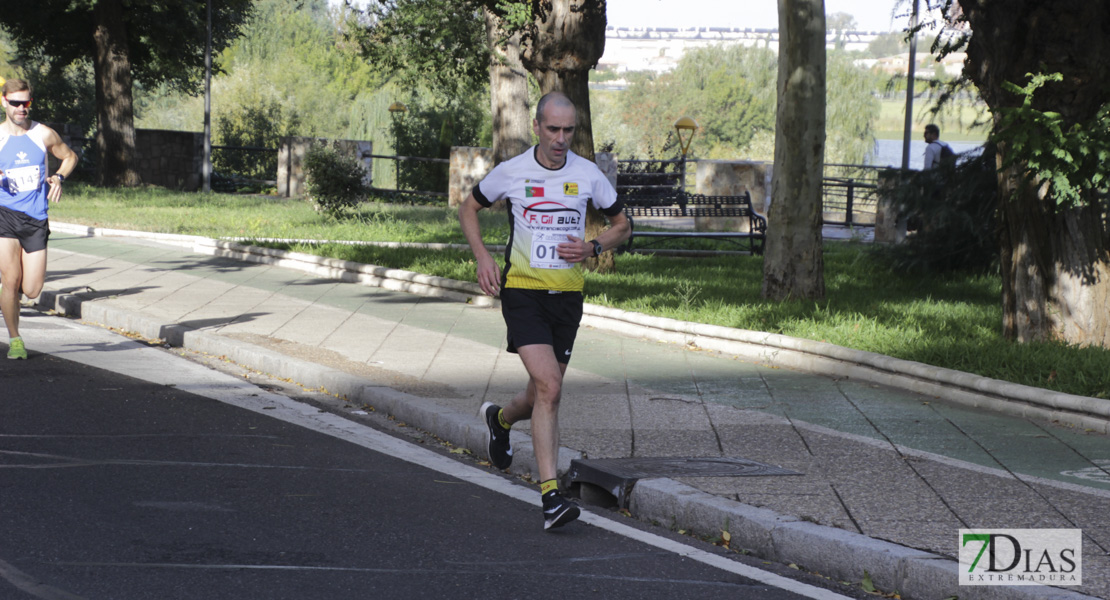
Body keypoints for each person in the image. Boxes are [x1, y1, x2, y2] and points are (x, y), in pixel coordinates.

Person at [458, 91, 630, 530]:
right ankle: (551, 497)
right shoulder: (513, 172)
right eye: (552, 129)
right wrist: (483, 257)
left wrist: (593, 247)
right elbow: (468, 208)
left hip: (568, 297)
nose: (560, 139)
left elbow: (622, 225)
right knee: (551, 387)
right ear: (536, 127)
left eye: (568, 130)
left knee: (541, 392)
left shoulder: (587, 174)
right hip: (523, 293)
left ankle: (501, 418)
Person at [0, 78, 78, 359]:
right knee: (10, 280)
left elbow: (69, 157)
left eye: (26, 103)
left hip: (35, 218)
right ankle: (15, 339)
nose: (22, 108)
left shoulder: (43, 134)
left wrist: (58, 176)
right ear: (4, 102)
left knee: (31, 289)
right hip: (4, 215)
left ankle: (10, 295)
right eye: (16, 103)